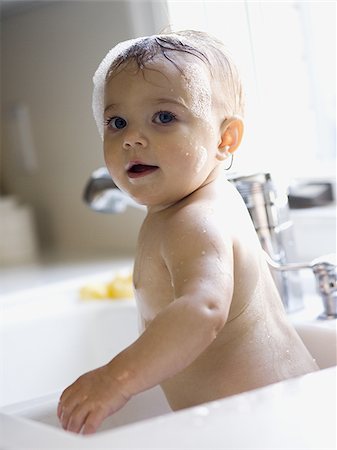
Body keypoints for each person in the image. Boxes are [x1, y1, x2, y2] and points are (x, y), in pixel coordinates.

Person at [57, 30, 318, 434]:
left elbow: (202, 310)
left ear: (225, 139)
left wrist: (116, 379)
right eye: (117, 121)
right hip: (267, 419)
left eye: (164, 117)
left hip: (262, 428)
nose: (132, 138)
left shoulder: (194, 219)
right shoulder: (192, 204)